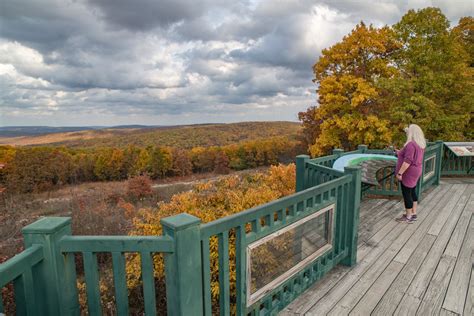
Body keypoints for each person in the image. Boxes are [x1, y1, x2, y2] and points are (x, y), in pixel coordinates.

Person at [395, 124, 426, 223]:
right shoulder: (420, 144)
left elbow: (408, 160)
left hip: (409, 172)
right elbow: (408, 154)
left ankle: (408, 217)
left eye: (408, 131)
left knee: (406, 193)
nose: (407, 133)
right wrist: (399, 152)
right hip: (417, 170)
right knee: (412, 191)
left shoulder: (411, 144)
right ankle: (413, 213)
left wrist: (400, 173)